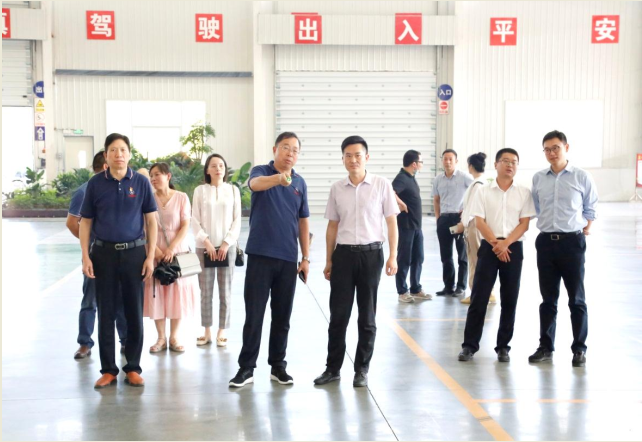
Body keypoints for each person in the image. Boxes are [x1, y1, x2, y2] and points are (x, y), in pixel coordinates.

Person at [314, 135, 399, 388]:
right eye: (348, 156)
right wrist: (328, 260)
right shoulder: (337, 188)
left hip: (371, 256)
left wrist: (393, 255)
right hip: (343, 256)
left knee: (367, 317)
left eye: (358, 155)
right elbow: (332, 226)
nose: (353, 160)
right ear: (342, 159)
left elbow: (391, 222)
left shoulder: (381, 185)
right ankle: (332, 369)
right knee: (338, 316)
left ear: (367, 157)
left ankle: (362, 369)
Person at [229, 132, 310, 388]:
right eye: (286, 148)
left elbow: (303, 221)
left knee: (282, 316)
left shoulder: (300, 183)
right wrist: (278, 179)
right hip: (260, 256)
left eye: (295, 150)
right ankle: (246, 368)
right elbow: (254, 185)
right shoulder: (261, 172)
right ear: (275, 149)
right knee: (254, 315)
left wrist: (306, 257)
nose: (290, 153)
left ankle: (278, 366)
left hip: (288, 258)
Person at [80, 133, 158, 389]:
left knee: (134, 312)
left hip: (134, 254)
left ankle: (133, 367)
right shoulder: (95, 184)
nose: (118, 154)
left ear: (129, 154)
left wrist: (150, 256)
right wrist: (85, 255)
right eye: (113, 150)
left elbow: (151, 221)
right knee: (106, 312)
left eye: (123, 149)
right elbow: (86, 222)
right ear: (106, 155)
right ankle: (108, 370)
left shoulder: (141, 182)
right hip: (103, 254)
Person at [458, 148, 536, 363]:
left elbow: (525, 224)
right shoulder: (483, 191)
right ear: (496, 164)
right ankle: (469, 346)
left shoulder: (524, 192)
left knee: (510, 299)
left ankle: (503, 347)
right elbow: (479, 221)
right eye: (505, 161)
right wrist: (496, 244)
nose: (510, 165)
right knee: (479, 298)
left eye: (514, 162)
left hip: (513, 248)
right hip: (489, 247)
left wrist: (506, 244)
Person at [528, 130, 598, 368]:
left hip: (572, 243)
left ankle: (579, 349)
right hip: (545, 243)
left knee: (576, 299)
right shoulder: (539, 178)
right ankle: (546, 347)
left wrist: (584, 228)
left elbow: (590, 207)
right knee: (548, 299)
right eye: (547, 149)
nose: (551, 153)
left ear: (566, 148)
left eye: (555, 148)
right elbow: (537, 207)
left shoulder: (581, 176)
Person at [67, 151, 127, 359]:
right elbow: (72, 223)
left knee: (120, 299)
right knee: (90, 300)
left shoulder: (117, 188)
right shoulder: (84, 191)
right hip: (95, 255)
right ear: (105, 166)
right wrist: (89, 244)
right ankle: (85, 342)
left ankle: (125, 340)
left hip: (116, 255)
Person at [144, 162, 198, 354]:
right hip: (154, 249)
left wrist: (171, 249)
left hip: (178, 250)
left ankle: (174, 337)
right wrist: (157, 251)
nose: (153, 178)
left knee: (177, 292)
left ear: (168, 176)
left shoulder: (182, 197)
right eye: (151, 175)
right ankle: (160, 338)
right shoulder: (148, 199)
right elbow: (144, 227)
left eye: (157, 174)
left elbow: (185, 225)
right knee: (157, 292)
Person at [191, 153, 241, 348]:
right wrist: (207, 242)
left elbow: (237, 220)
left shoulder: (233, 190)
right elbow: (194, 219)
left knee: (225, 291)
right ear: (207, 170)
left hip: (227, 248)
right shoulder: (200, 191)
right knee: (205, 292)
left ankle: (222, 330)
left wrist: (227, 243)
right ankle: (206, 332)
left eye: (221, 165)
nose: (218, 168)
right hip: (205, 248)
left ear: (225, 169)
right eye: (213, 165)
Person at [453, 153, 497, 305]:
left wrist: (462, 224)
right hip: (483, 224)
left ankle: (479, 294)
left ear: (470, 166)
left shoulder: (477, 184)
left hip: (474, 226)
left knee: (475, 260)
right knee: (480, 259)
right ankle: (486, 292)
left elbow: (472, 209)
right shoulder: (488, 181)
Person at [432, 149, 473, 297]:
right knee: (446, 255)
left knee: (462, 254)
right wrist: (438, 218)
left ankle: (461, 286)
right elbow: (436, 199)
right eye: (445, 159)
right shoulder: (438, 179)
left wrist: (467, 211)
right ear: (442, 161)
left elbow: (477, 191)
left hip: (458, 219)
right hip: (444, 219)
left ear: (456, 161)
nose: (448, 162)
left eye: (450, 159)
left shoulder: (464, 177)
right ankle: (448, 286)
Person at [392, 150, 431, 303]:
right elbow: (390, 191)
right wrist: (401, 203)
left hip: (416, 227)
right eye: (421, 162)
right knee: (404, 259)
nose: (421, 165)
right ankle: (402, 291)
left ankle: (415, 288)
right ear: (414, 164)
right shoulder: (402, 178)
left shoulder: (411, 178)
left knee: (418, 258)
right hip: (406, 226)